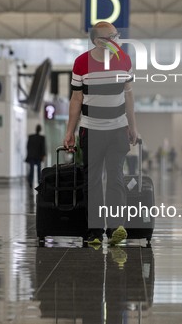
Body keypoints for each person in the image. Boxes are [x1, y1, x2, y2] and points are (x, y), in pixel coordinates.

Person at [63, 21, 138, 246]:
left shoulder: (124, 59)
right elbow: (76, 99)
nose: (115, 40)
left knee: (115, 177)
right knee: (92, 180)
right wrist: (70, 131)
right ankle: (94, 231)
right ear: (97, 41)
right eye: (110, 37)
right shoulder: (81, 63)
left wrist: (133, 127)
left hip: (117, 129)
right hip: (91, 129)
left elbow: (129, 96)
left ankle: (116, 228)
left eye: (116, 35)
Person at [25, 124, 46, 188]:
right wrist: (43, 155)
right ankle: (39, 182)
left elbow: (28, 147)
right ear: (40, 130)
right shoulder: (42, 138)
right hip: (38, 156)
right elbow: (43, 148)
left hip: (31, 156)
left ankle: (30, 182)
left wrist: (28, 155)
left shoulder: (30, 137)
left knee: (31, 170)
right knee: (39, 170)